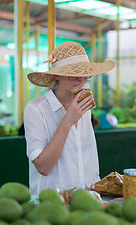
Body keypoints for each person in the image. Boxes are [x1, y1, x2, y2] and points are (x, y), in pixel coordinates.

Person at [24, 41, 115, 195]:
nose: (81, 79)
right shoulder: (36, 109)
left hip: (88, 198)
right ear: (57, 75)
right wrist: (68, 120)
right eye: (73, 74)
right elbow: (43, 167)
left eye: (85, 73)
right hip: (51, 204)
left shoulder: (84, 106)